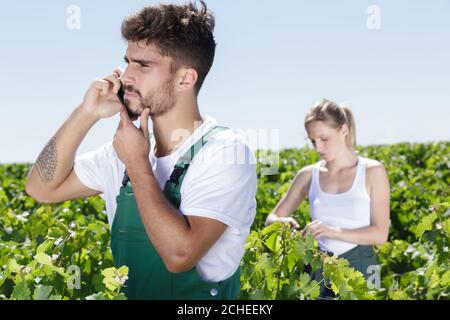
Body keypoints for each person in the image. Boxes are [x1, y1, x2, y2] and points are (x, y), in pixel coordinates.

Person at [25, 1, 257, 300]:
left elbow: (179, 255)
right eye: (128, 62)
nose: (126, 77)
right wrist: (87, 112)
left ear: (185, 78)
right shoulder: (120, 151)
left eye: (143, 65)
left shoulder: (224, 151)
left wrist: (136, 164)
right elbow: (41, 189)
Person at [265, 98, 390, 298]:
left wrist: (332, 232)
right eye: (313, 140)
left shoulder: (372, 171)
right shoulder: (308, 175)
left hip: (362, 266)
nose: (318, 148)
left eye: (324, 138)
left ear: (343, 130)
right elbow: (272, 218)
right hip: (318, 268)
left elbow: (380, 234)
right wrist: (283, 223)